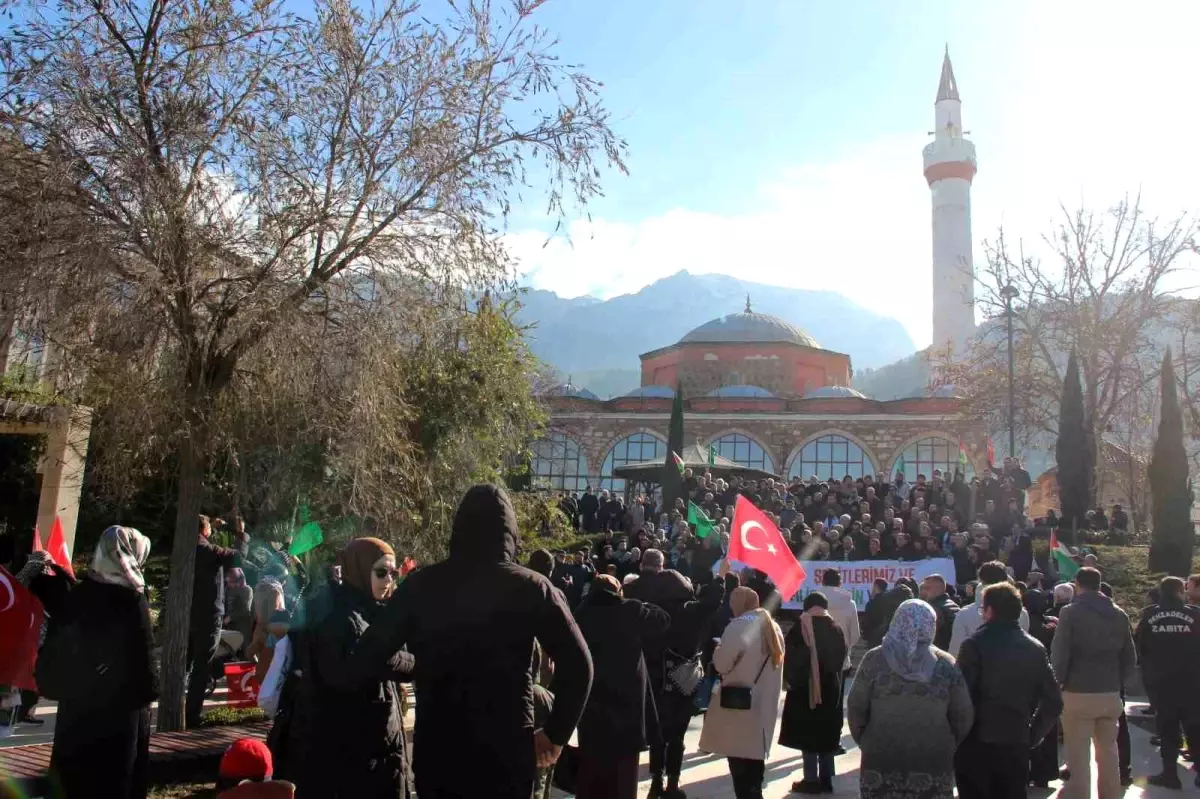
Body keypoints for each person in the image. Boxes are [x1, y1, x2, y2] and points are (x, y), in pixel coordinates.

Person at [347, 484, 593, 799]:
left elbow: (370, 653)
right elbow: (580, 665)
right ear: (510, 532)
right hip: (507, 755)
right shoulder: (532, 587)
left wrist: (421, 667)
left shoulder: (421, 586)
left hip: (439, 752)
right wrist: (554, 734)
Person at [292, 537, 412, 797]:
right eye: (381, 572)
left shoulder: (372, 611)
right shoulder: (341, 619)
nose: (389, 580)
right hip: (354, 760)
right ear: (359, 570)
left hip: (374, 753)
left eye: (394, 573)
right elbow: (368, 664)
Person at [44, 526, 157, 799]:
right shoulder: (132, 600)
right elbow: (147, 675)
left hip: (76, 714)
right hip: (119, 720)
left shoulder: (79, 595)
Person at [847, 599, 974, 799]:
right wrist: (948, 742)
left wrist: (867, 740)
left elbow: (856, 709)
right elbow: (962, 715)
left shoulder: (874, 659)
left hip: (880, 760)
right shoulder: (946, 664)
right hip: (933, 762)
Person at [625, 549, 722, 799]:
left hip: (653, 676)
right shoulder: (690, 610)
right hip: (683, 679)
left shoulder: (642, 605)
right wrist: (720, 579)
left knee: (657, 733)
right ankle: (672, 784)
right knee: (677, 735)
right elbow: (713, 603)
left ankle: (657, 780)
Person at [954, 583, 1062, 799]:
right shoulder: (1035, 648)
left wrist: (956, 735)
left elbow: (959, 697)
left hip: (976, 743)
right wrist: (1032, 734)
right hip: (1016, 740)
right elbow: (1054, 701)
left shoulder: (973, 645)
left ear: (989, 611)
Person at [573, 574, 671, 799]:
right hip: (628, 706)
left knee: (591, 772)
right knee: (623, 776)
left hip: (592, 704)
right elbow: (663, 619)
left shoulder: (580, 614)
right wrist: (641, 600)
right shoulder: (631, 609)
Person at [1050, 566, 1136, 799]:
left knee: (1077, 752)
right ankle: (1110, 794)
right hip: (1110, 692)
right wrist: (1117, 683)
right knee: (1109, 750)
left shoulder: (1070, 613)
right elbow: (1130, 658)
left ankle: (1078, 795)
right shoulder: (1119, 614)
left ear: (1077, 584)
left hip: (1078, 690)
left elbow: (1060, 654)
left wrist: (1056, 684)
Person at [698, 586, 785, 799]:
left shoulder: (737, 627)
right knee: (755, 757)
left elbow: (721, 664)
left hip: (738, 702)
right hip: (763, 703)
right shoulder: (772, 627)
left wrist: (718, 649)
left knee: (738, 758)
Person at [778, 592, 847, 794]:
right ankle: (826, 780)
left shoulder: (800, 627)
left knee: (807, 733)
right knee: (827, 732)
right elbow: (839, 660)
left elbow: (790, 658)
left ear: (807, 606)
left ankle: (810, 779)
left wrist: (793, 680)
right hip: (830, 688)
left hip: (804, 690)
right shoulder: (835, 628)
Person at [1135, 576, 1200, 789]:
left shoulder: (1150, 615)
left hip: (1162, 684)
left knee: (1167, 730)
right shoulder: (1195, 615)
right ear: (1181, 591)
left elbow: (1140, 646)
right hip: (1192, 683)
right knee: (1195, 729)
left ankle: (1170, 775)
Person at [188, 514, 249, 727]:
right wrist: (240, 533)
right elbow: (238, 556)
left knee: (184, 665)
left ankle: (176, 708)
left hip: (187, 614)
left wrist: (209, 527)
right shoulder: (209, 551)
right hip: (208, 614)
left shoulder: (184, 549)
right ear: (204, 532)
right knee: (201, 666)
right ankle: (192, 716)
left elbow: (201, 536)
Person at [948, 561, 1028, 657]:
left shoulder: (965, 614)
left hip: (977, 669)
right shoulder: (1022, 613)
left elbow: (955, 652)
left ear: (980, 580)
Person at [919, 575, 959, 651]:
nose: (923, 591)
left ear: (938, 589)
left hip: (938, 654)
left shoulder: (933, 609)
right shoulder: (954, 605)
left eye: (927, 588)